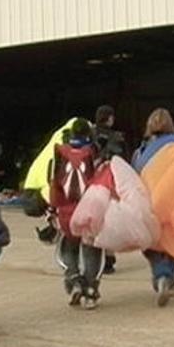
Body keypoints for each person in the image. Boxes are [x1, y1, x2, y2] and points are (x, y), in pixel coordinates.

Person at [50, 118, 104, 310]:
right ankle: (90, 291)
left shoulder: (59, 152)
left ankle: (73, 280)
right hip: (88, 210)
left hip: (65, 211)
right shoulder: (93, 153)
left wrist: (52, 209)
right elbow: (100, 182)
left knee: (68, 249)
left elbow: (54, 184)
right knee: (92, 251)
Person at [131, 108, 174, 307]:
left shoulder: (141, 151)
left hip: (149, 203)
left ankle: (161, 275)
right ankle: (169, 278)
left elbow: (134, 177)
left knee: (151, 245)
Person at [92, 105, 127, 274]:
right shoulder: (116, 137)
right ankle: (109, 257)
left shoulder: (90, 134)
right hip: (109, 181)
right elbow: (121, 159)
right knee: (109, 218)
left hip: (91, 182)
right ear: (109, 118)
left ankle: (94, 255)